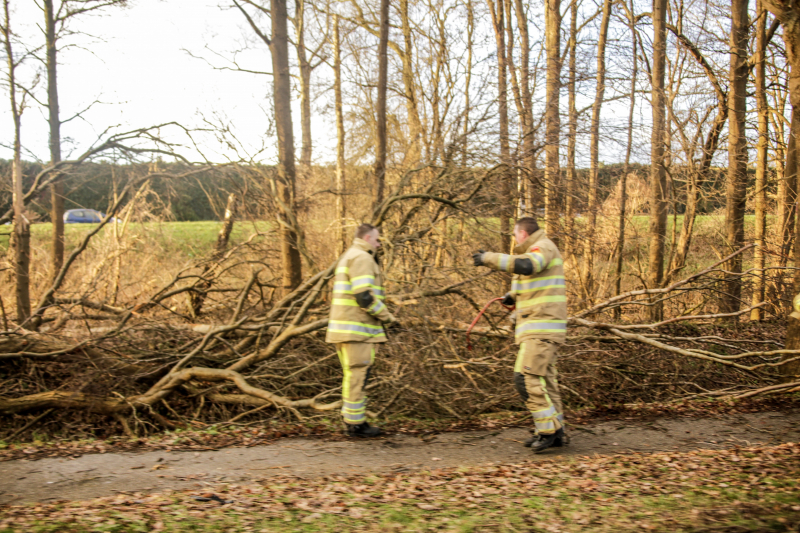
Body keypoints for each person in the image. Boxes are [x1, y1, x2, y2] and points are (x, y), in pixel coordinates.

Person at [471, 217, 567, 453]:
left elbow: (527, 266)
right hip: (543, 328)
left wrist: (487, 259)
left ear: (523, 233)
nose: (514, 239)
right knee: (545, 382)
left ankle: (548, 430)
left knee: (525, 378)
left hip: (541, 328)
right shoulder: (539, 249)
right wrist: (513, 297)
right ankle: (556, 430)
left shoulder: (541, 247)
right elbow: (534, 282)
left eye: (515, 235)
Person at [326, 223, 397, 437]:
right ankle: (357, 426)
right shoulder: (363, 258)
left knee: (353, 377)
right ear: (367, 238)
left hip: (347, 329)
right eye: (376, 239)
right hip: (357, 331)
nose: (378, 243)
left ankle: (353, 422)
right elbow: (364, 297)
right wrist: (389, 318)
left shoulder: (350, 255)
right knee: (358, 377)